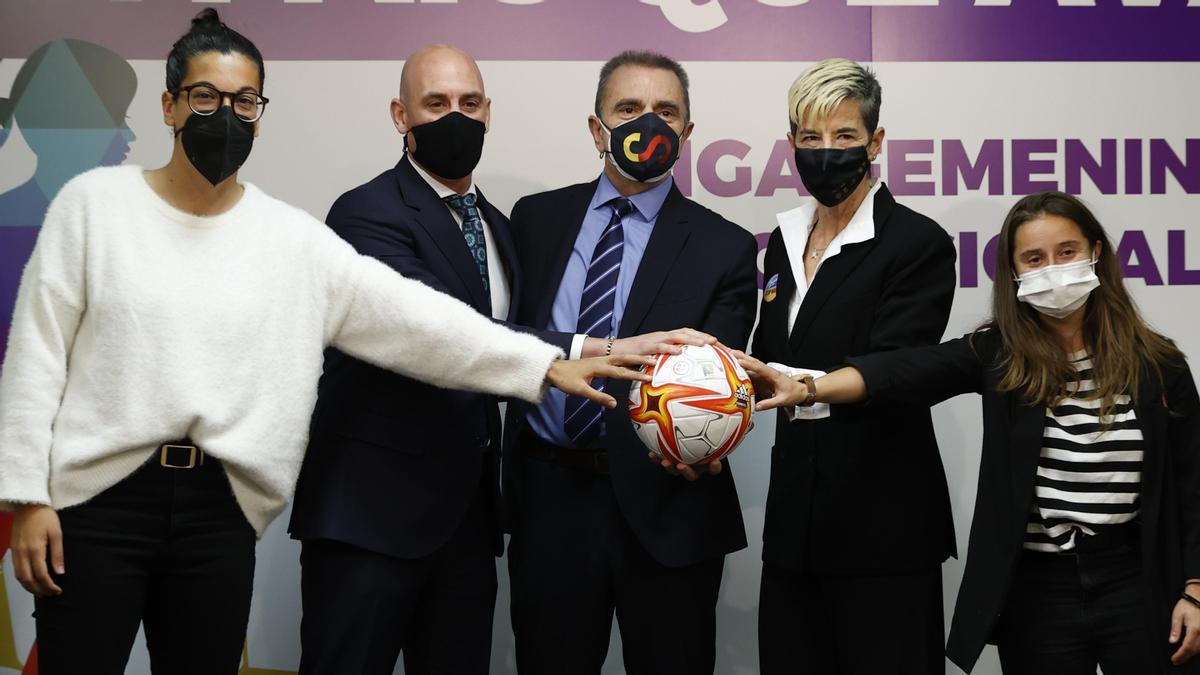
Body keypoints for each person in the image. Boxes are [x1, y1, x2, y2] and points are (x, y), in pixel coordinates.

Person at [0, 11, 645, 675]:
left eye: (244, 101)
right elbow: (37, 353)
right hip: (96, 502)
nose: (226, 114)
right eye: (205, 98)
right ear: (169, 105)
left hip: (218, 513)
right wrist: (27, 494)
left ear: (260, 111)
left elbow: (416, 322)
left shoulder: (285, 235)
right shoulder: (94, 204)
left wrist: (560, 357)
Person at [737, 190, 1200, 674]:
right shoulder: (999, 352)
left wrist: (1195, 589)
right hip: (1039, 587)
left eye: (1067, 252)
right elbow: (900, 372)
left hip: (1138, 579)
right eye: (1034, 259)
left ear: (1096, 253)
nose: (1053, 270)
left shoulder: (1159, 364)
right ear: (1015, 273)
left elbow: (1192, 485)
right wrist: (807, 388)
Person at [502, 50, 759, 675]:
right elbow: (507, 336)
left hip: (669, 505)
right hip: (549, 503)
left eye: (666, 112)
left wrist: (704, 443)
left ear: (687, 134)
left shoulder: (724, 245)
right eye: (629, 109)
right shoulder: (533, 221)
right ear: (598, 129)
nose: (649, 124)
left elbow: (717, 378)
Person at [288, 44, 526, 675]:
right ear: (401, 115)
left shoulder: (501, 229)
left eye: (469, 103)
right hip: (370, 522)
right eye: (436, 103)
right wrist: (580, 354)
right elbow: (440, 331)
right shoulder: (366, 213)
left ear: (488, 112)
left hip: (468, 529)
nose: (456, 117)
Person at [748, 57, 957, 674]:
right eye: (810, 138)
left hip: (883, 527)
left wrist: (802, 385)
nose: (826, 152)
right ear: (791, 145)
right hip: (794, 528)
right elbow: (768, 352)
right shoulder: (783, 240)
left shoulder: (917, 243)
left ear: (876, 141)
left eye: (844, 136)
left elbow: (896, 369)